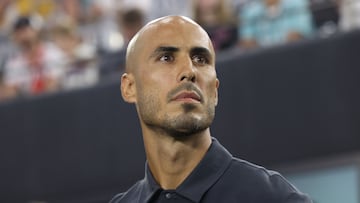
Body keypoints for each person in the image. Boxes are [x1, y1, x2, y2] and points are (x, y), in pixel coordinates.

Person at [110, 15, 312, 203]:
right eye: (166, 58)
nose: (189, 71)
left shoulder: (272, 198)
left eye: (200, 59)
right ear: (129, 88)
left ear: (214, 91)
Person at [239, 0, 314, 49]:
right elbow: (246, 41)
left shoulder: (297, 4)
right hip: (261, 64)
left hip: (296, 57)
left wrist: (297, 36)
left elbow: (305, 33)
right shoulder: (249, 13)